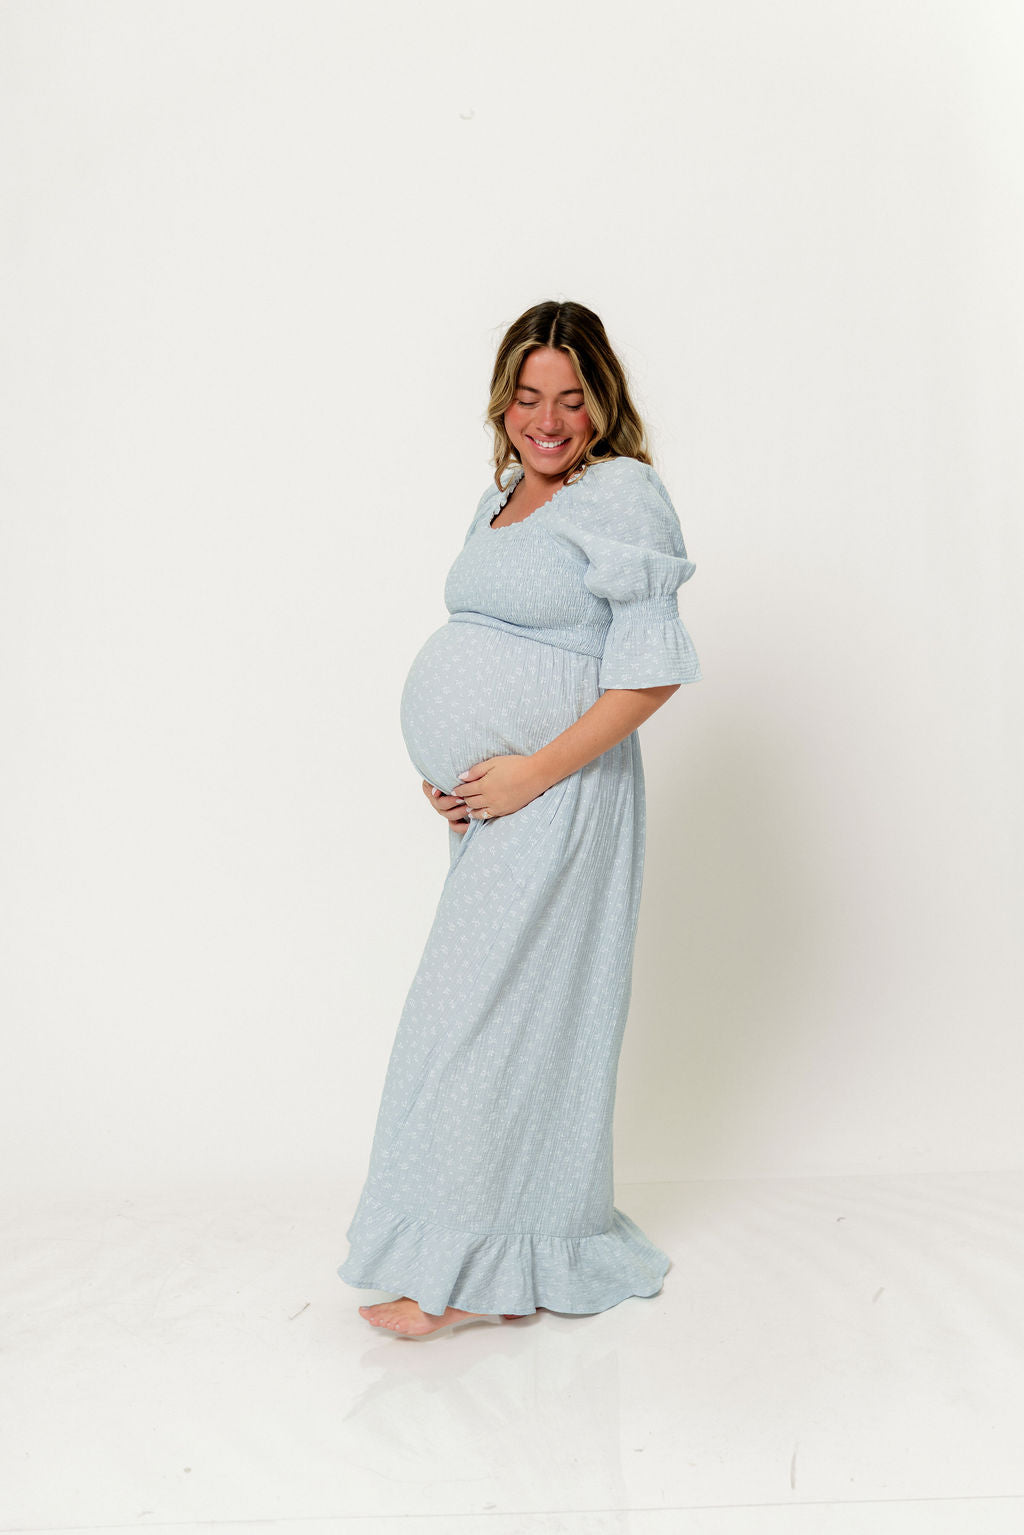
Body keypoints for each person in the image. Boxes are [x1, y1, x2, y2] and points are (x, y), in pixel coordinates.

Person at [337, 299, 702, 1338]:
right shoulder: (498, 498)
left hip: (563, 791)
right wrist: (449, 776)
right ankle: (496, 1251)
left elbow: (650, 674)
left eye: (570, 398)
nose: (547, 420)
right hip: (496, 809)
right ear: (502, 403)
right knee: (477, 1019)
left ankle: (462, 1271)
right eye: (527, 397)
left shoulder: (621, 494)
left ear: (602, 403)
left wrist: (531, 771)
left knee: (491, 1023)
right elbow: (484, 643)